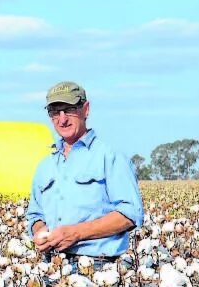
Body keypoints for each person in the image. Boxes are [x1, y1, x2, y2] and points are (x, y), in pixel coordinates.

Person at [27, 81, 143, 267]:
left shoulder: (110, 157)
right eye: (55, 112)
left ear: (86, 110)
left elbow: (130, 214)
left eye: (69, 109)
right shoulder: (45, 166)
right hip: (52, 266)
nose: (62, 119)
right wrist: (40, 231)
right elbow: (35, 215)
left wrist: (77, 233)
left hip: (100, 267)